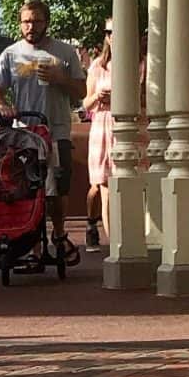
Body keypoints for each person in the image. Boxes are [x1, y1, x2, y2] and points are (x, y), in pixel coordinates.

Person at [0, 0, 86, 261]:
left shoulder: (65, 52)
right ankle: (32, 242)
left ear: (46, 23)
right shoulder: (11, 54)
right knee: (26, 189)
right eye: (26, 22)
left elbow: (81, 91)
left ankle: (59, 233)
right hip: (24, 134)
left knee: (58, 188)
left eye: (36, 21)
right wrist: (3, 106)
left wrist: (60, 78)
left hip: (57, 130)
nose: (31, 27)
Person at [84, 28, 114, 249]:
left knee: (115, 186)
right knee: (99, 185)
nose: (113, 35)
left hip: (130, 126)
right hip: (102, 126)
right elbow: (85, 104)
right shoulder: (97, 66)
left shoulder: (141, 64)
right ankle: (92, 223)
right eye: (109, 31)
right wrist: (97, 96)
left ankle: (118, 241)